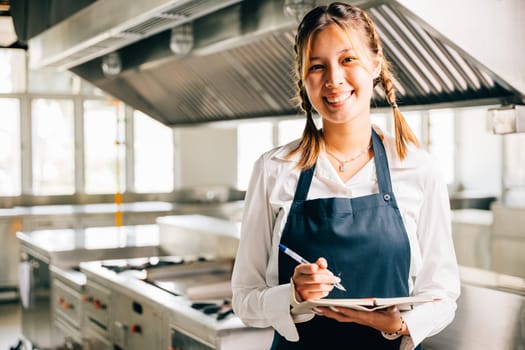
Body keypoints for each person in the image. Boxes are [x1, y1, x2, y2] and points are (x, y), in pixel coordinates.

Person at [231, 2, 460, 349]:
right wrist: (292, 296)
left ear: (375, 64)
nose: (334, 79)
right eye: (317, 66)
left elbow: (442, 294)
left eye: (347, 59)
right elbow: (245, 298)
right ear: (304, 79)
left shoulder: (417, 168)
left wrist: (399, 324)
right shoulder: (275, 169)